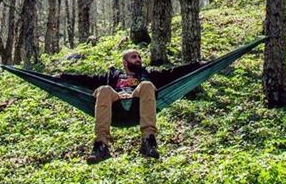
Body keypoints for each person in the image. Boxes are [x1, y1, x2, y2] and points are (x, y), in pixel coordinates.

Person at [57, 49, 204, 164]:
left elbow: (173, 73)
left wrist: (197, 65)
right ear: (125, 62)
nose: (138, 60)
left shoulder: (147, 74)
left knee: (146, 85)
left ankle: (148, 140)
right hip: (116, 107)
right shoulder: (113, 76)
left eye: (139, 57)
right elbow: (87, 79)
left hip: (137, 103)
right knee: (103, 89)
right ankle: (101, 145)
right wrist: (63, 77)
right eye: (134, 57)